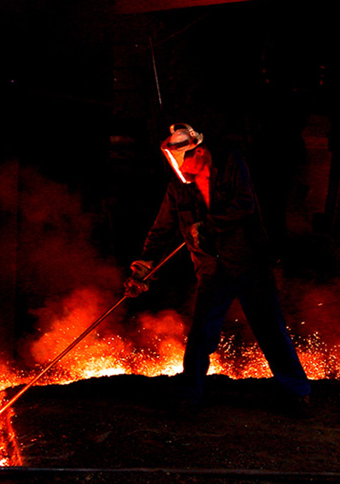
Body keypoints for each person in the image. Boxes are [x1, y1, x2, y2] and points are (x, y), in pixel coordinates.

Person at [124, 123, 312, 416]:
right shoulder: (178, 187)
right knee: (201, 334)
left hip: (249, 263)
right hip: (212, 269)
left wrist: (209, 227)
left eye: (184, 161)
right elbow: (161, 229)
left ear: (199, 151)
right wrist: (144, 266)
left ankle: (298, 393)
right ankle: (191, 396)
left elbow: (245, 203)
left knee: (270, 329)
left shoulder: (231, 165)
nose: (181, 170)